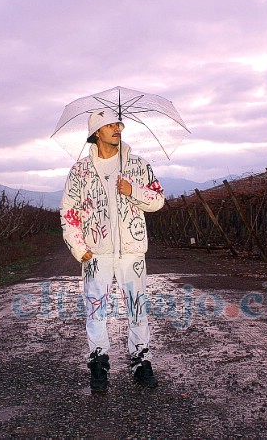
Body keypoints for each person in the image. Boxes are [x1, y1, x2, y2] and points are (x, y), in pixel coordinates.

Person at [60, 108, 165, 392]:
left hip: (132, 251)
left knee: (137, 307)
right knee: (96, 310)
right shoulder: (80, 171)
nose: (118, 128)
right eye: (110, 125)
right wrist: (79, 248)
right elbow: (68, 211)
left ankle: (141, 362)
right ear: (96, 133)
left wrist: (133, 191)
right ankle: (98, 364)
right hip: (96, 254)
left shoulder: (138, 165)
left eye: (119, 124)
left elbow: (157, 200)